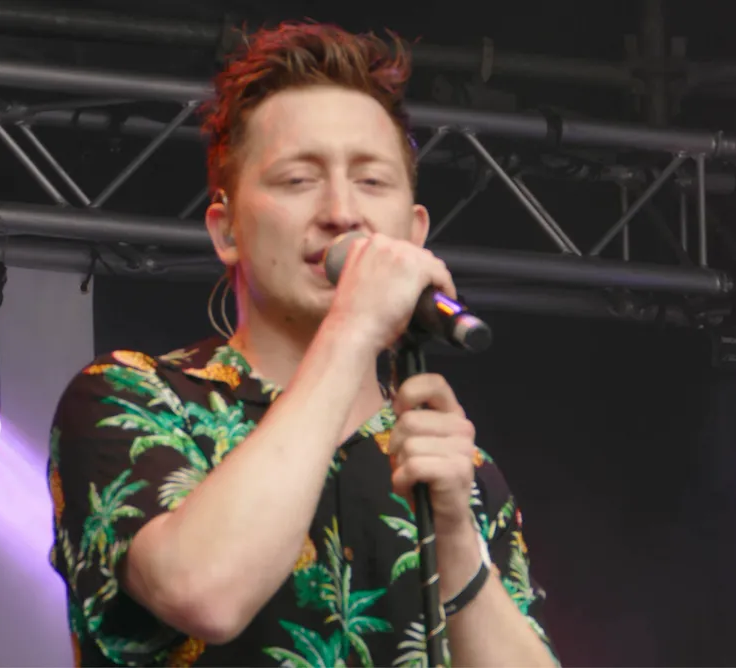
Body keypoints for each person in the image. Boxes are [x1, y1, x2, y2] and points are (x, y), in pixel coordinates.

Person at [48, 21, 558, 667]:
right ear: (226, 230)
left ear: (414, 233)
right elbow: (204, 595)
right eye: (297, 179)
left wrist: (456, 539)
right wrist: (353, 326)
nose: (342, 212)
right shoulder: (132, 398)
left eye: (372, 182)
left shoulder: (459, 467)